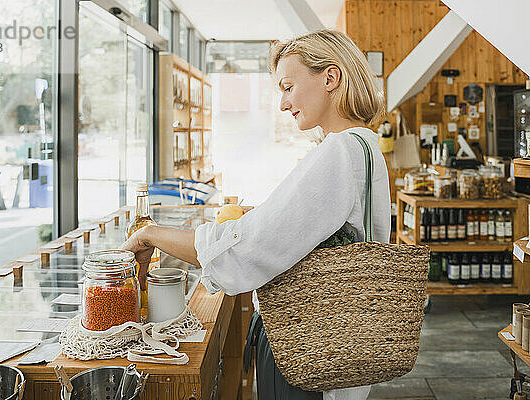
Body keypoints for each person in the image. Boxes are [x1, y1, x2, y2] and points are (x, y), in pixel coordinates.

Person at [121, 29, 390, 400]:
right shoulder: (365, 146)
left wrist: (151, 234)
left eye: (288, 86)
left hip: (300, 345)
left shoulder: (339, 152)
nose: (283, 103)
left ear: (330, 77)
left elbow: (247, 249)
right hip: (335, 341)